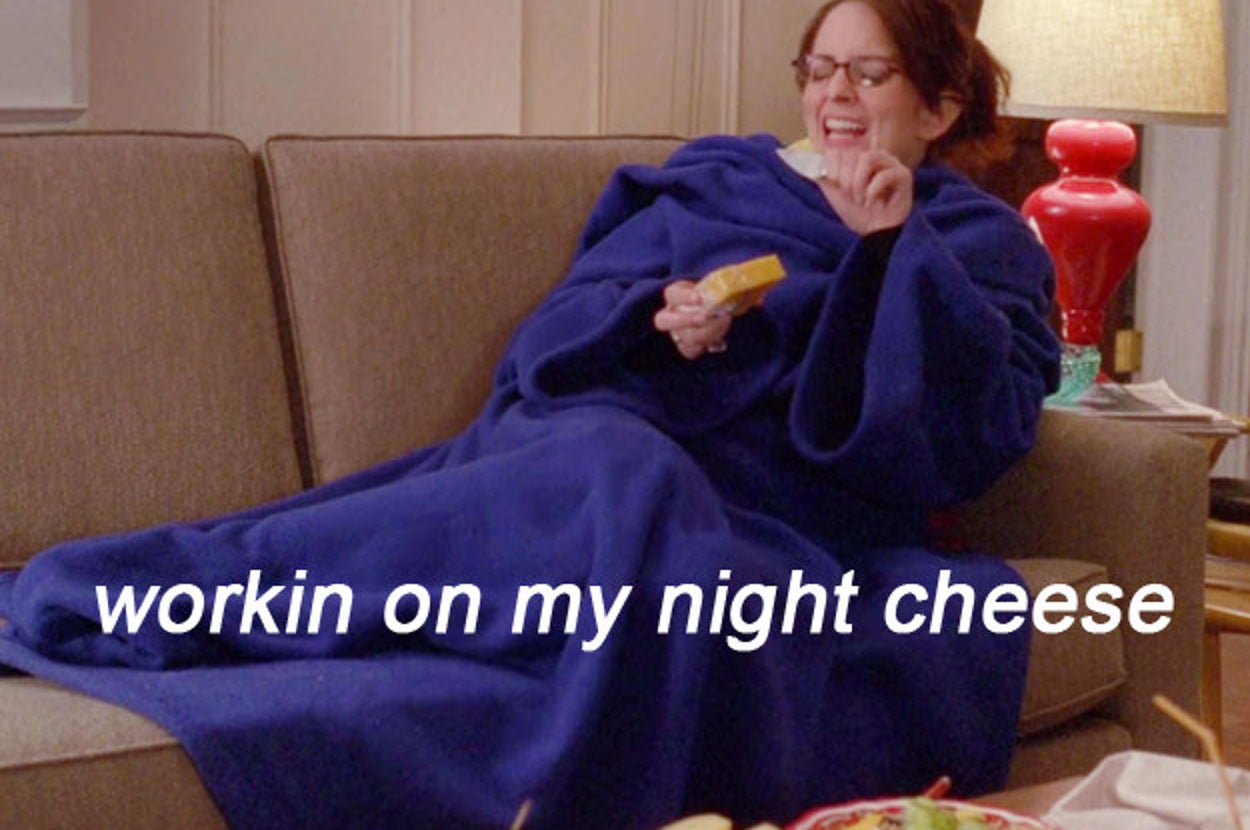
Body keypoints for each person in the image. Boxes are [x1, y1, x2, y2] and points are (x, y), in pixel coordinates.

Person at [0, 1, 1059, 828]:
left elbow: (975, 433)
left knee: (660, 505)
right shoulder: (721, 180)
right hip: (596, 442)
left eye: (867, 73)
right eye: (817, 69)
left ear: (936, 106)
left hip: (767, 515)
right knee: (622, 471)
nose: (833, 95)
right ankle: (158, 588)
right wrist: (663, 326)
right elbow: (559, 335)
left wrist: (889, 251)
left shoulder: (980, 244)